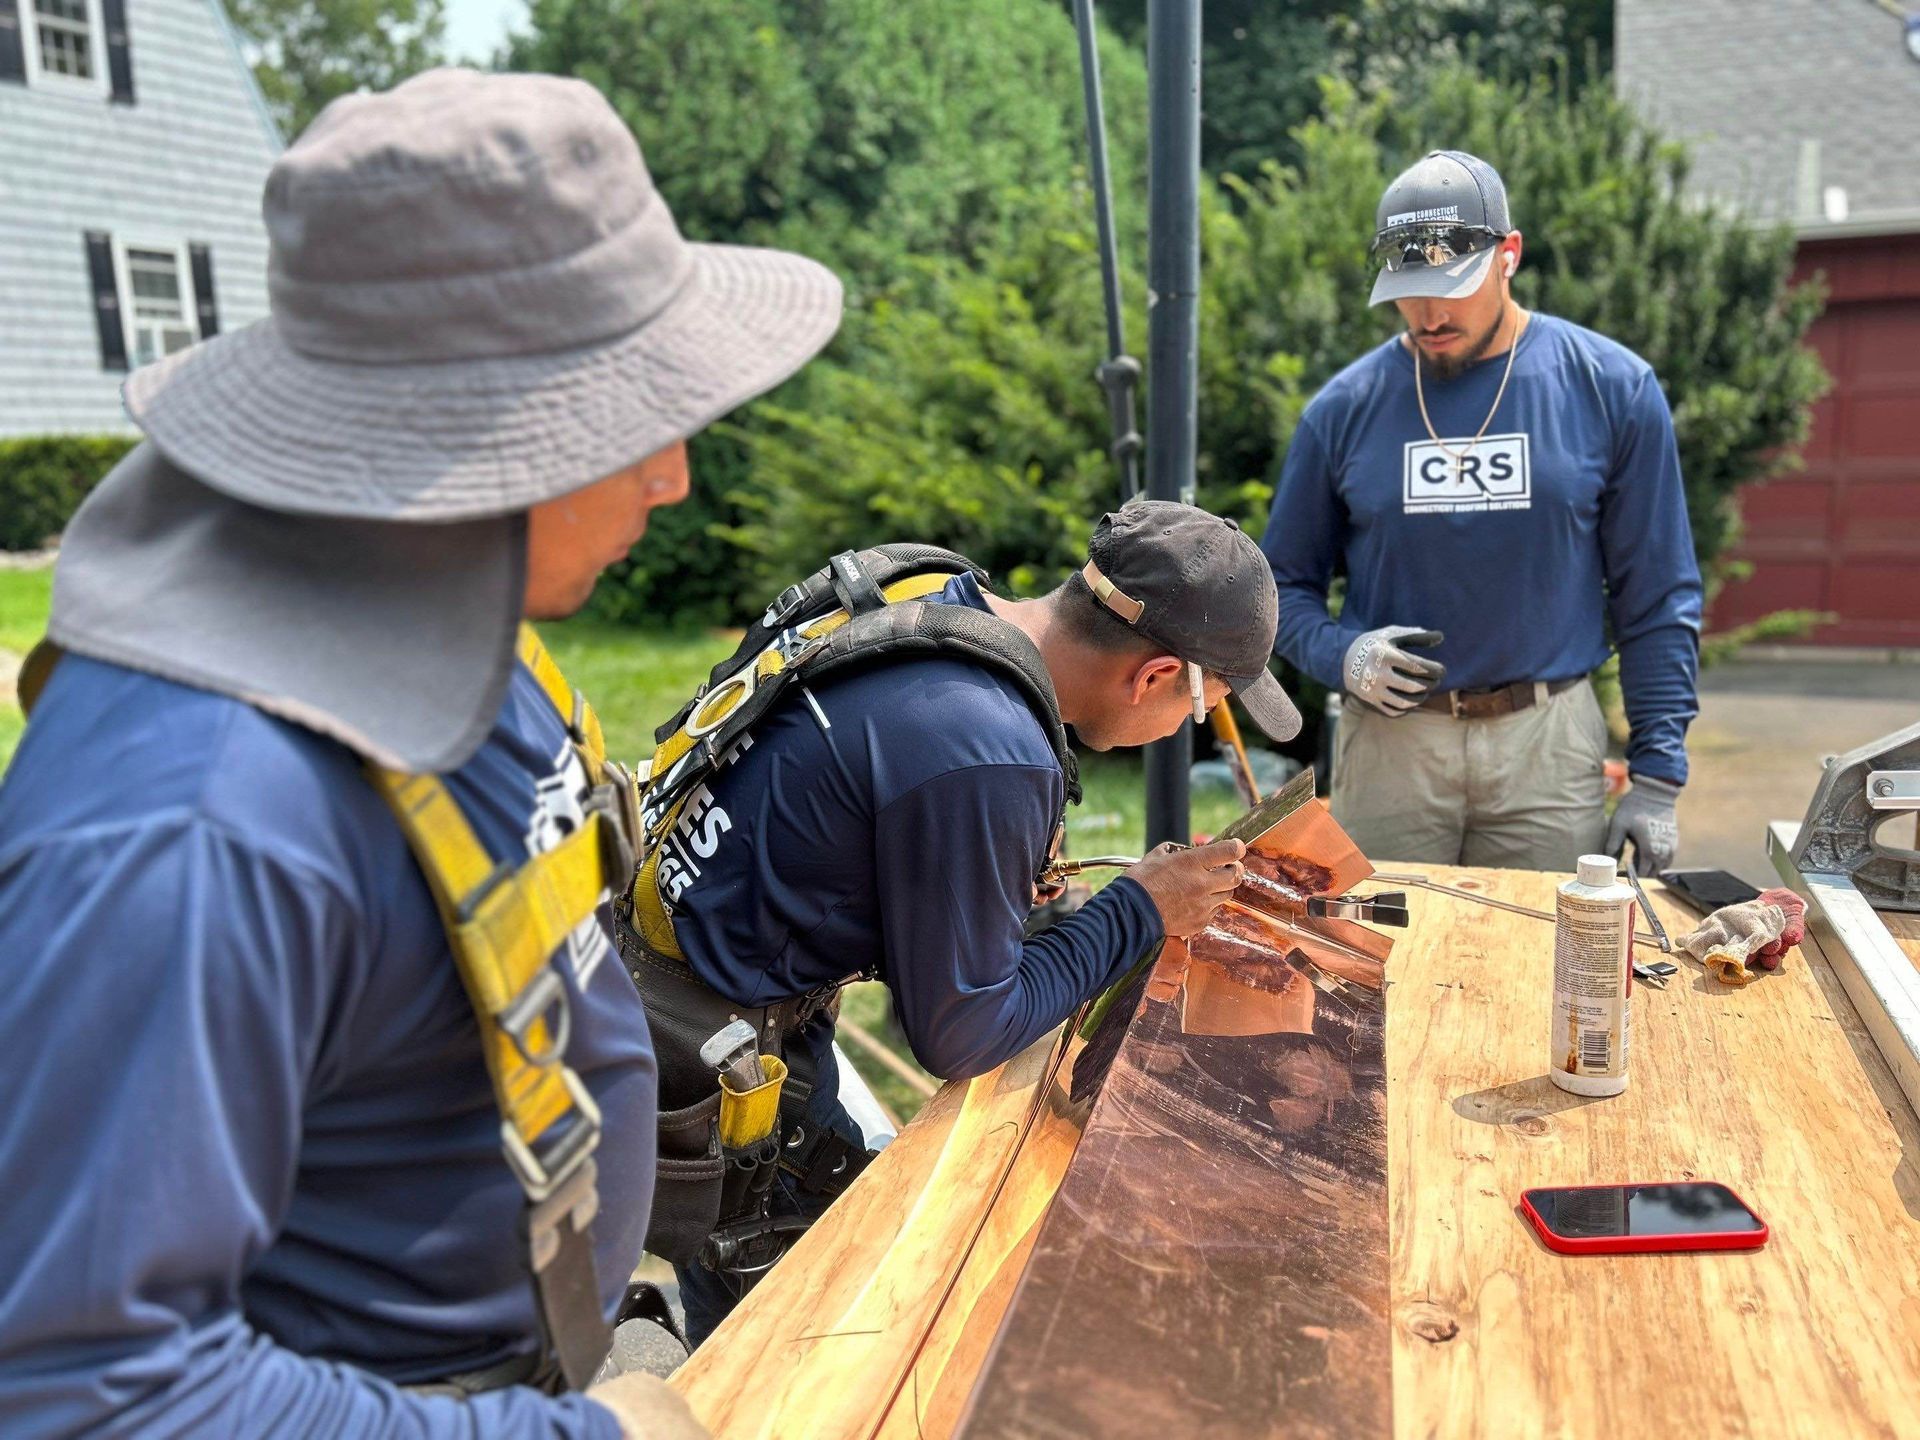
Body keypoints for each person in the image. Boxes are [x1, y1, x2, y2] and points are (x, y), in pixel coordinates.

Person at [0, 69, 841, 1438]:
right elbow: (78, 1390)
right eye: (637, 415)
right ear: (471, 437)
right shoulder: (191, 828)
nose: (675, 474)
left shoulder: (425, 590)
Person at [621, 501, 1304, 1345]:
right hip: (718, 1067)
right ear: (1156, 675)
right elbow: (963, 1032)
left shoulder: (927, 587)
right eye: (1207, 707)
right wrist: (1142, 909)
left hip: (667, 970)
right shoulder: (987, 748)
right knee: (819, 1349)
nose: (1189, 728)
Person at [1260, 150, 1702, 875]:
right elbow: (1280, 588)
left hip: (1547, 743)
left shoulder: (1611, 389)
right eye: (1409, 291)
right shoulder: (1342, 411)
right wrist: (1342, 655)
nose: (1430, 315)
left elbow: (1656, 592)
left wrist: (1656, 777)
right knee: (1382, 962)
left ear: (1509, 256)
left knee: (1540, 964)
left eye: (1453, 287)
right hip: (1392, 744)